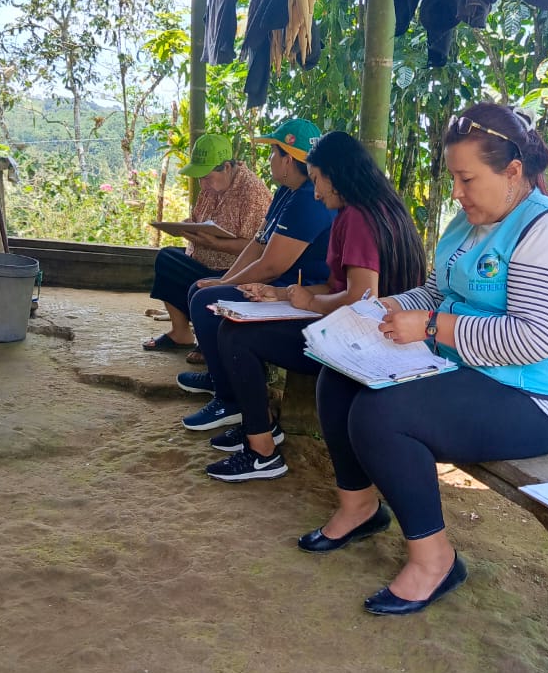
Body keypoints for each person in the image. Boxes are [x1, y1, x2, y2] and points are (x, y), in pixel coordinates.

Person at [310, 100, 548, 616]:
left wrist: (429, 326)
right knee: (339, 378)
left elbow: (534, 338)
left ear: (513, 172)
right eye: (454, 179)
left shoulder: (542, 232)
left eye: (467, 179)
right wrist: (390, 306)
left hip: (530, 395)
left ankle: (434, 561)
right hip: (463, 370)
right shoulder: (466, 223)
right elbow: (436, 293)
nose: (457, 193)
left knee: (382, 414)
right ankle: (359, 507)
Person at [204, 130, 426, 482]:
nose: (317, 192)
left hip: (363, 343)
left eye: (318, 180)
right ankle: (258, 431)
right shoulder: (384, 208)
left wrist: (309, 301)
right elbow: (342, 289)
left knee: (236, 335)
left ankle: (262, 451)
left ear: (336, 176)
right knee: (239, 327)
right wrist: (283, 295)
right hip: (383, 338)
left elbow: (362, 298)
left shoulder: (356, 218)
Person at [178, 117, 334, 431]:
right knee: (202, 290)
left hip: (298, 292)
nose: (270, 159)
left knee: (206, 302)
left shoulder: (308, 199)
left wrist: (224, 284)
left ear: (288, 160)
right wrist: (224, 280)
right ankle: (220, 377)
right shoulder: (286, 192)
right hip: (279, 283)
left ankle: (230, 401)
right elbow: (258, 244)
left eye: (274, 152)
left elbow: (271, 266)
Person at [143, 133, 270, 351]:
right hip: (202, 259)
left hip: (232, 272)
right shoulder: (212, 187)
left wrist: (215, 244)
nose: (203, 184)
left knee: (202, 286)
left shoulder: (252, 193)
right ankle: (180, 333)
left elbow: (258, 247)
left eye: (207, 177)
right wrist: (187, 227)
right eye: (200, 178)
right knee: (166, 258)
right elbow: (200, 219)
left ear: (227, 168)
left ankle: (210, 341)